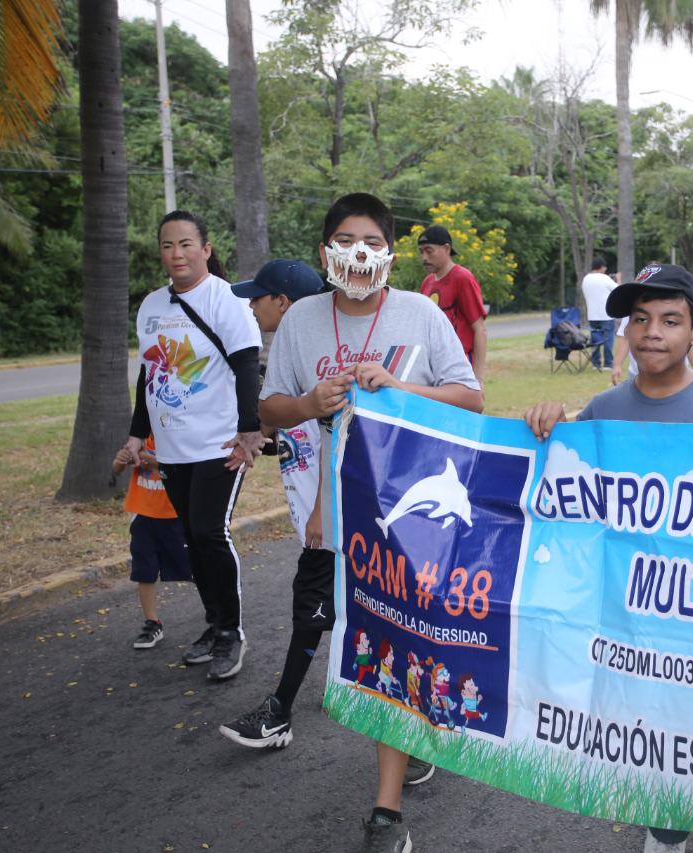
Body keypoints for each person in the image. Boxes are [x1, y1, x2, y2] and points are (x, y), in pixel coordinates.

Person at [523, 264, 693, 853]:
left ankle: (673, 826)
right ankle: (663, 825)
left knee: (692, 724)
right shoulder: (602, 408)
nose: (653, 332)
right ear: (623, 330)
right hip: (627, 617)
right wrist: (548, 426)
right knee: (643, 727)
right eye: (640, 319)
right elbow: (567, 488)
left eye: (670, 320)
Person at [255, 193, 482, 853]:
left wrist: (399, 387)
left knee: (398, 641)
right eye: (346, 239)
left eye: (373, 241)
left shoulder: (420, 313)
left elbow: (469, 396)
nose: (359, 253)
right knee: (366, 643)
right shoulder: (299, 319)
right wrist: (306, 401)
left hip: (413, 517)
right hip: (337, 516)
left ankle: (385, 812)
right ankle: (406, 740)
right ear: (325, 249)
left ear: (390, 251)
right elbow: (269, 410)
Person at [124, 210, 264, 681]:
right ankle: (214, 624)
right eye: (167, 245)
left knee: (209, 533)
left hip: (219, 443)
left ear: (205, 250)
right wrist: (135, 433)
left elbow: (247, 366)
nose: (176, 253)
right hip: (172, 447)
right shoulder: (150, 306)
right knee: (191, 539)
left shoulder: (225, 300)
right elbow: (150, 373)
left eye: (186, 244)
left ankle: (232, 633)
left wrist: (248, 431)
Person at [218, 259, 333, 750]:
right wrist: (256, 437)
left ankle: (278, 714)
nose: (251, 304)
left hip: (334, 520)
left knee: (310, 606)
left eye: (259, 296)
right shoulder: (289, 359)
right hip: (325, 517)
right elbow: (281, 417)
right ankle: (411, 727)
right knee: (347, 612)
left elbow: (334, 435)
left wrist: (321, 511)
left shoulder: (320, 358)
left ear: (283, 304)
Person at [111, 435, 190, 650]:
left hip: (175, 515)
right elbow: (117, 468)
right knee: (144, 569)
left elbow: (185, 472)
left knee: (193, 568)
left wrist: (154, 463)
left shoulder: (179, 435)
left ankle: (218, 614)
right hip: (143, 514)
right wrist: (121, 460)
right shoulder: (140, 436)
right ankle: (152, 622)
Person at [418, 224, 488, 382]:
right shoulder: (427, 282)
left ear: (447, 248)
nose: (424, 257)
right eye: (421, 252)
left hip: (460, 365)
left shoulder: (462, 278)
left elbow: (480, 329)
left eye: (429, 251)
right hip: (434, 366)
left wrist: (477, 379)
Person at [580, 256, 618, 369]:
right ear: (601, 267)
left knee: (595, 339)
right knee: (608, 339)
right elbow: (617, 289)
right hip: (606, 314)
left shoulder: (586, 279)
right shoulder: (604, 278)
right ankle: (608, 363)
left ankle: (596, 363)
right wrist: (618, 279)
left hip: (592, 315)